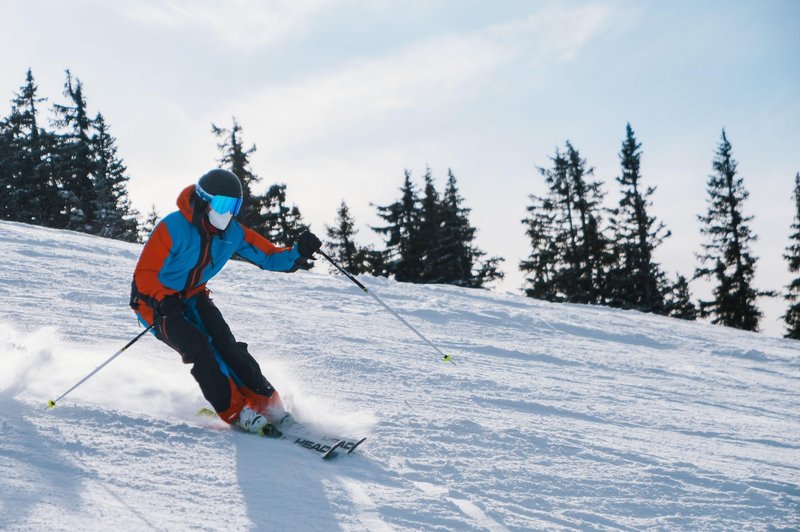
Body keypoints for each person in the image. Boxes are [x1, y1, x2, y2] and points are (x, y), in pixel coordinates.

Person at [130, 169, 321, 435]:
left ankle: (269, 406)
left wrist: (298, 253)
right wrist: (161, 301)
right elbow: (145, 275)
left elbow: (268, 257)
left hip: (193, 296)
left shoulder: (233, 233)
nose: (227, 213)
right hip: (156, 303)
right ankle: (235, 410)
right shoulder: (172, 228)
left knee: (227, 346)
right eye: (222, 204)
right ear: (203, 201)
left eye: (234, 206)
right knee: (200, 348)